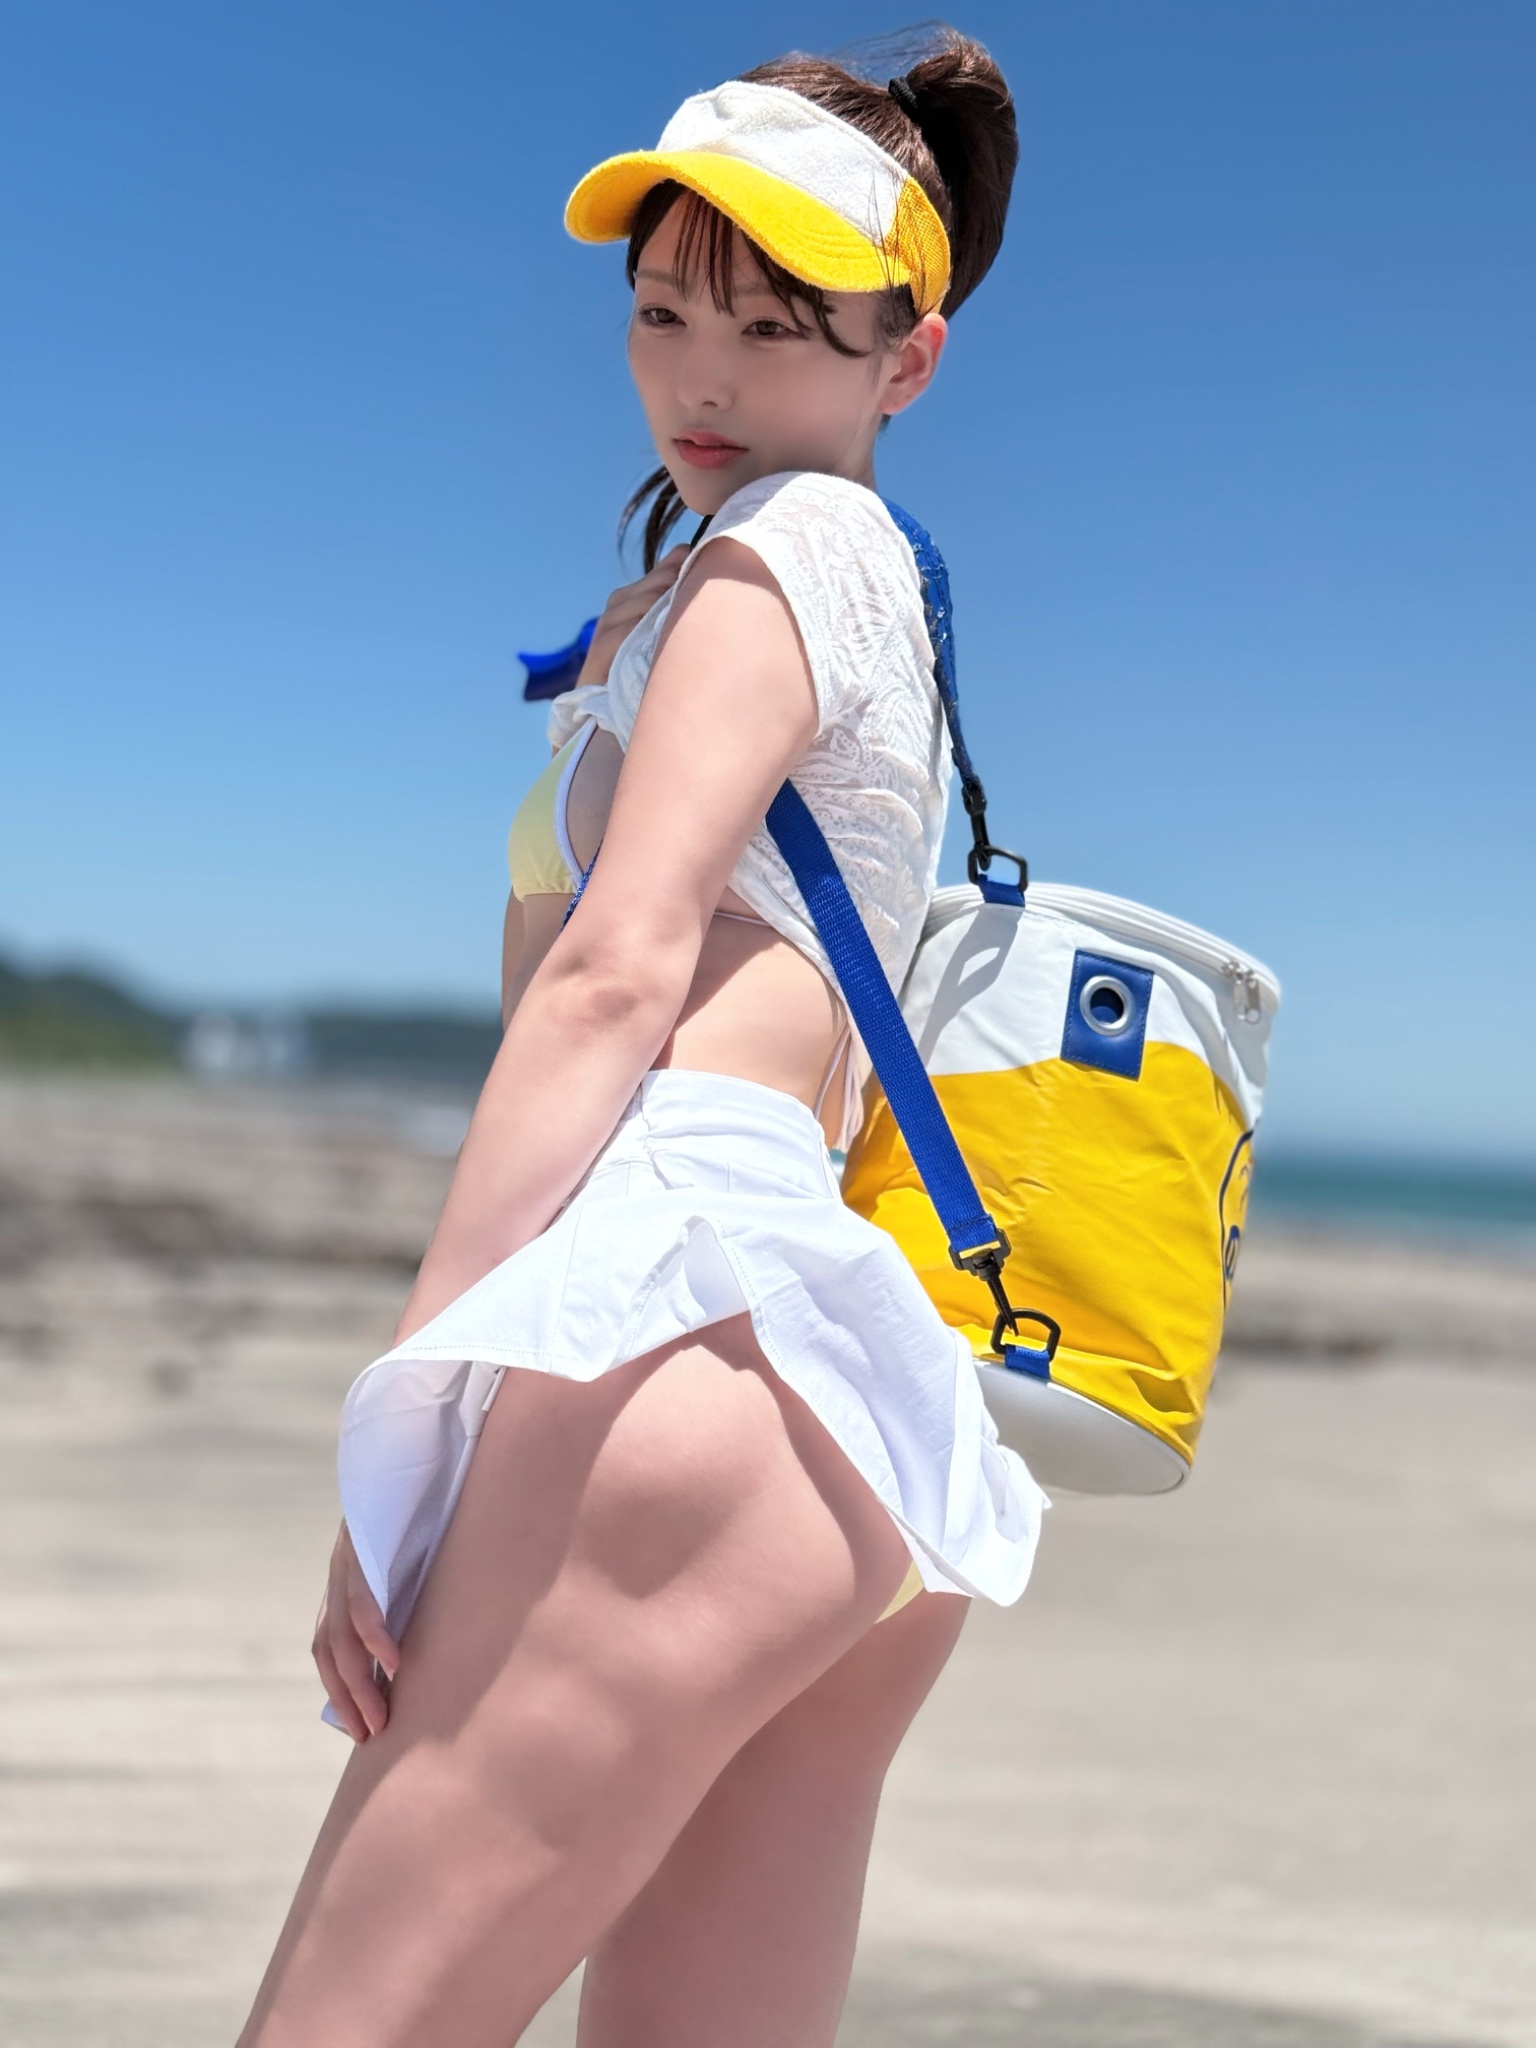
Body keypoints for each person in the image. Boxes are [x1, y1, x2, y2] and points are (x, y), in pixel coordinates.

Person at [240, 30, 1046, 2048]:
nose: (705, 374)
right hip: (842, 1426)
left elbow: (613, 977)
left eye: (776, 329)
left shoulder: (785, 561)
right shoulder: (817, 590)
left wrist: (414, 1403)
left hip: (674, 1333)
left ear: (908, 360)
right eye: (667, 310)